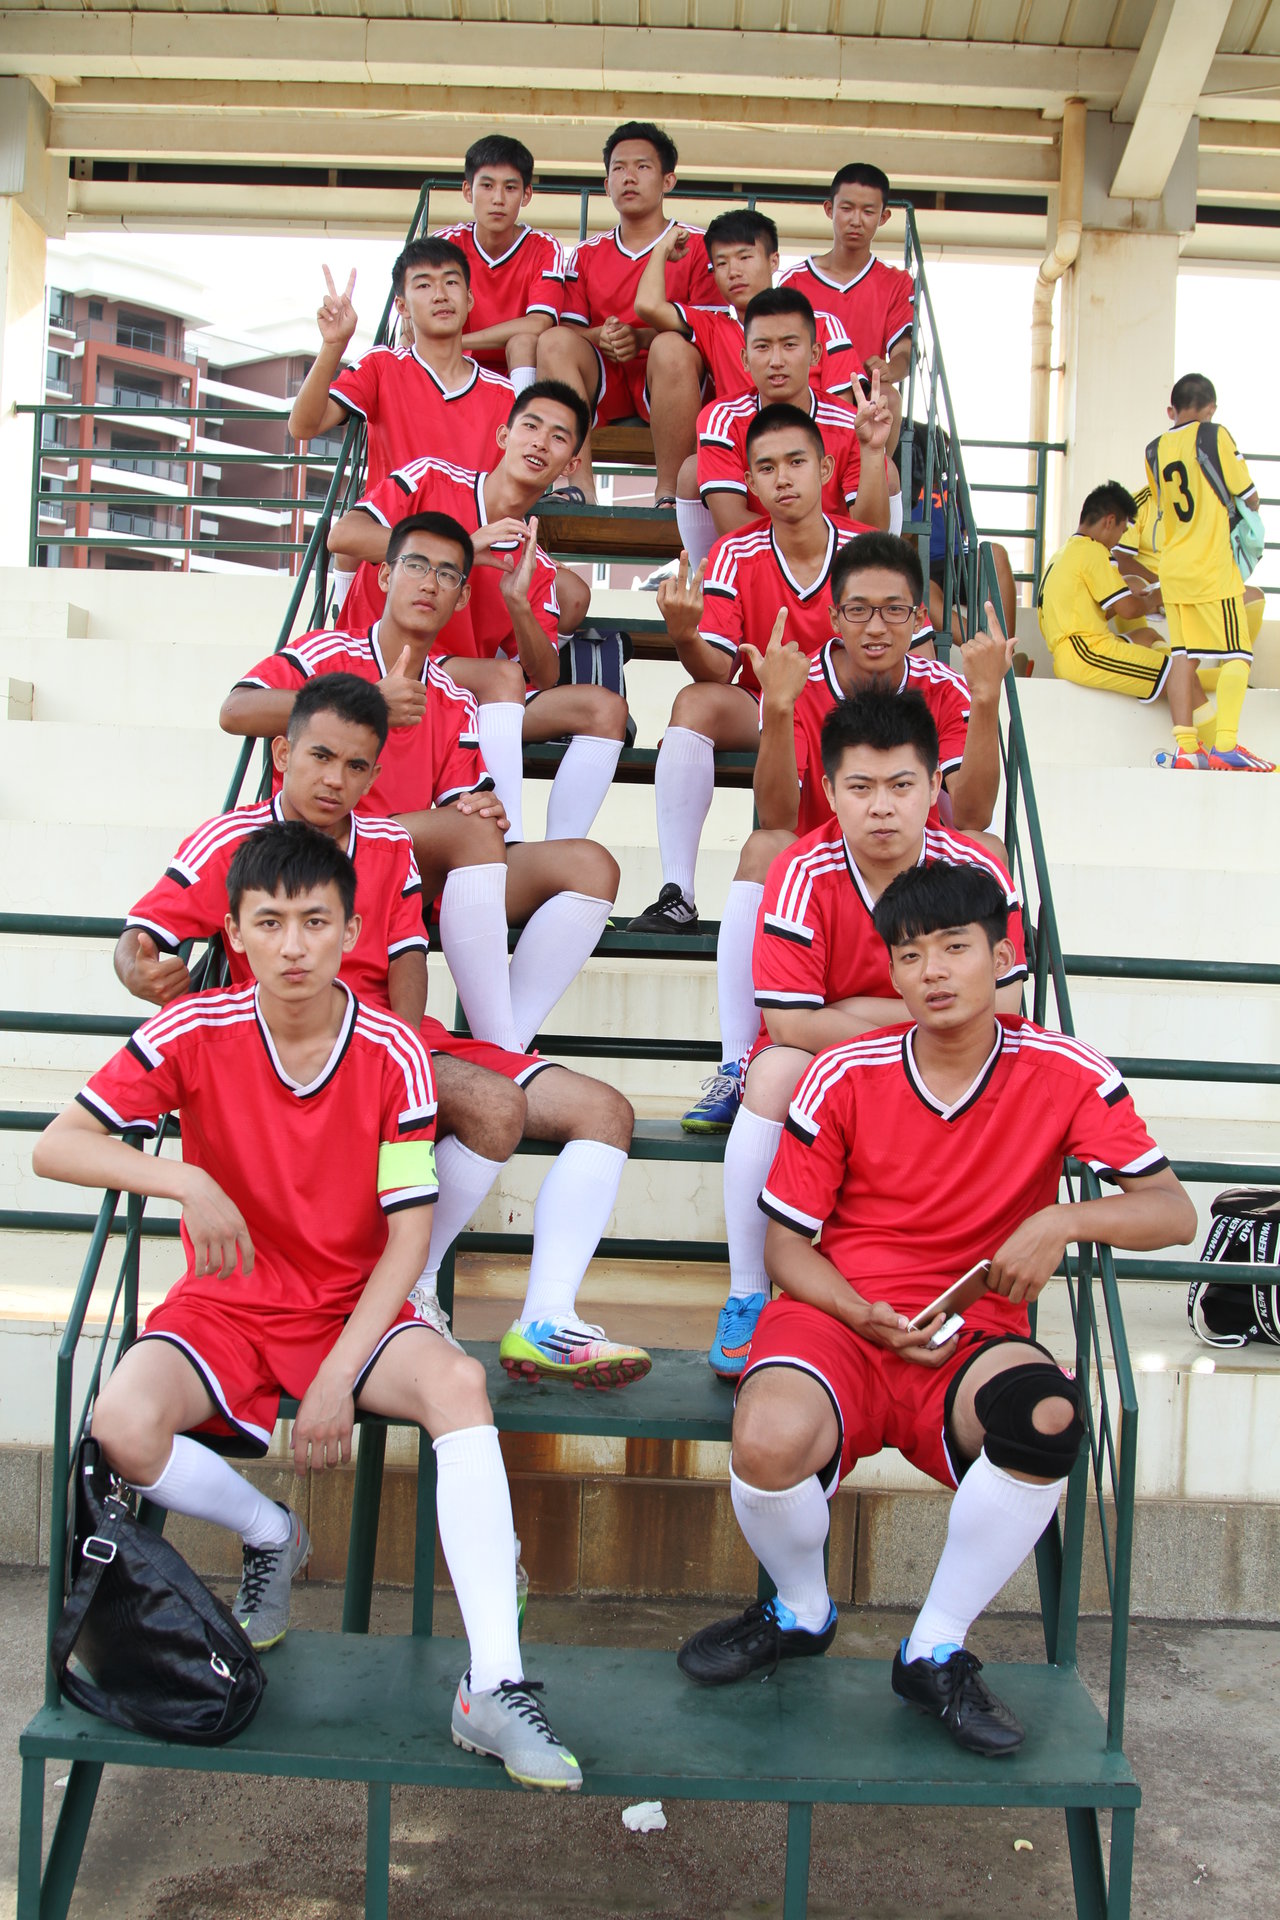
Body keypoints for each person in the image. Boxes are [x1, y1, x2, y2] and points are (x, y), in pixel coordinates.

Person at [33, 822, 583, 1789]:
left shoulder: (394, 1053)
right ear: (235, 932)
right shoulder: (190, 1030)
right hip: (227, 1302)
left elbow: (408, 1237)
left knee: (460, 1387)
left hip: (349, 1302)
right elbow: (58, 1146)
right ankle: (271, 1533)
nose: (293, 945)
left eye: (316, 921)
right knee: (119, 1424)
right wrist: (188, 1183)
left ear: (351, 931)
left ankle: (494, 1686)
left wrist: (336, 1376)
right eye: (270, 922)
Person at [677, 857, 1196, 1759]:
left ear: (1001, 957)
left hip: (972, 1329)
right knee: (764, 1439)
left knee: (1048, 1416)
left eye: (955, 948)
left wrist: (1063, 1220)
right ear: (892, 970)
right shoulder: (843, 1071)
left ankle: (934, 1648)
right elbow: (786, 1247)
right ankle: (800, 1610)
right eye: (910, 955)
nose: (933, 972)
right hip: (840, 1317)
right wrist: (858, 1309)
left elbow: (1172, 1211)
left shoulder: (1065, 1069)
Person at [126, 675, 647, 1389]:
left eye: (355, 765)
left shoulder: (387, 844)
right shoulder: (230, 840)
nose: (334, 780)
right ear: (282, 754)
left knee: (605, 1112)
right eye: (320, 757)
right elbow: (140, 939)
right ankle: (410, 1287)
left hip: (392, 1038)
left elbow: (407, 960)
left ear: (374, 773)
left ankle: (546, 1318)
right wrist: (141, 971)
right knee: (495, 1106)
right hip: (298, 1047)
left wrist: (395, 1055)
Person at [220, 512, 620, 1069]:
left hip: (405, 872)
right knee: (471, 835)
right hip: (316, 854)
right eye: (415, 566)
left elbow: (462, 804)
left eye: (448, 574)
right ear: (385, 577)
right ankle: (505, 1051)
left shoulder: (454, 696)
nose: (429, 583)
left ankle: (505, 1039)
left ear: (461, 597)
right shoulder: (326, 652)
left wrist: (482, 803)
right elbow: (235, 710)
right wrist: (366, 702)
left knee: (591, 866)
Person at [705, 690, 1029, 1378]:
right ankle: (748, 1292)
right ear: (828, 792)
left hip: (937, 1062)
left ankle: (977, 1295)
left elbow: (1005, 1007)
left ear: (935, 787)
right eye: (860, 787)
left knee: (1014, 1074)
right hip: (836, 1066)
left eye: (901, 786)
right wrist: (928, 1015)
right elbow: (790, 1023)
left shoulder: (975, 869)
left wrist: (855, 1006)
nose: (882, 807)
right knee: (773, 1071)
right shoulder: (801, 869)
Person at [683, 531, 1011, 1136]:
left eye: (894, 610)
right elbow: (777, 815)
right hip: (823, 868)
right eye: (858, 610)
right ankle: (737, 1061)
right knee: (765, 846)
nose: (876, 627)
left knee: (986, 851)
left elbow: (973, 813)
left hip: (916, 867)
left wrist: (987, 701)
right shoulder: (801, 679)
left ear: (920, 617)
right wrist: (776, 709)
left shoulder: (945, 686)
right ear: (834, 617)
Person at [626, 401, 889, 936]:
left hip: (853, 712)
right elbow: (716, 670)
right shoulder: (733, 551)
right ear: (748, 482)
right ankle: (677, 892)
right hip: (769, 710)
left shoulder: (863, 550)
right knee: (694, 703)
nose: (782, 478)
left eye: (796, 462)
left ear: (824, 469)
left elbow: (908, 660)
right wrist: (684, 634)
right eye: (766, 468)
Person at [323, 390, 617, 842]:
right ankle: (507, 840)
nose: (540, 443)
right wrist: (459, 547)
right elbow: (344, 535)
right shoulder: (432, 478)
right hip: (378, 662)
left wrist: (519, 604)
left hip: (456, 691)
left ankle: (553, 848)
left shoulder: (534, 563)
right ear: (503, 436)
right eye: (530, 426)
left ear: (571, 465)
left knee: (605, 709)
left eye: (558, 438)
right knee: (502, 676)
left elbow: (545, 674)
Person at [288, 236, 520, 623]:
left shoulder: (506, 395)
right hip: (393, 566)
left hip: (469, 571)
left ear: (469, 298)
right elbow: (303, 425)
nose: (440, 294)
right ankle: (344, 611)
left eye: (451, 282)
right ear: (401, 305)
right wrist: (333, 345)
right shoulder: (382, 366)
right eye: (423, 285)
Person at [635, 212, 859, 555]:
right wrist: (662, 246)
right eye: (721, 263)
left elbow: (840, 415)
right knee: (692, 471)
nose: (733, 272)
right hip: (745, 460)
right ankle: (707, 574)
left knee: (883, 470)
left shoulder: (822, 325)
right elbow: (647, 305)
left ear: (774, 261)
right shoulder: (715, 325)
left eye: (744, 257)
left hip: (812, 463)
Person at [535, 120, 718, 504]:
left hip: (671, 380)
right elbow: (569, 331)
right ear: (606, 184)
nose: (629, 177)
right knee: (552, 341)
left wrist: (642, 337)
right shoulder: (586, 253)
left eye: (642, 167)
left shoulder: (698, 245)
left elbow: (713, 330)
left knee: (672, 347)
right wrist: (599, 336)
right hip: (605, 380)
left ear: (668, 181)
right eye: (618, 168)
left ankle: (671, 495)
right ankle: (577, 487)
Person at [676, 291, 895, 570]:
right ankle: (707, 583)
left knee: (886, 469)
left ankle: (879, 585)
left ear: (815, 354)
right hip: (754, 562)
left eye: (790, 345)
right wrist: (809, 542)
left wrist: (874, 451)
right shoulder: (721, 418)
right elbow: (731, 523)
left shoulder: (848, 422)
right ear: (745, 358)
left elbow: (870, 532)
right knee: (691, 470)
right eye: (763, 347)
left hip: (836, 563)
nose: (776, 360)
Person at [1144, 372, 1273, 771]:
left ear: (1171, 410)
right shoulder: (1215, 435)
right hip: (1212, 568)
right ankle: (1226, 745)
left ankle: (1187, 750)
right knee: (1238, 655)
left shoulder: (1153, 450)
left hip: (1174, 570)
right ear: (1211, 408)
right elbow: (1249, 495)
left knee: (1183, 657)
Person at [1036, 482, 1198, 740]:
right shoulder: (1094, 551)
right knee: (1176, 670)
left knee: (1147, 636)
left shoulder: (1064, 553)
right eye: (1122, 531)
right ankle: (1200, 746)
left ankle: (1196, 685)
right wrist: (1158, 595)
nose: (1118, 541)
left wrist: (1131, 590)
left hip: (1073, 651)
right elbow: (1129, 610)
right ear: (1110, 521)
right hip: (1086, 652)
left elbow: (1093, 611)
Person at [778, 162, 914, 448]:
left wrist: (890, 369)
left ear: (884, 217)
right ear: (830, 209)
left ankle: (877, 474)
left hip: (862, 392)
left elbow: (904, 351)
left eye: (868, 212)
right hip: (808, 391)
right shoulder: (795, 280)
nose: (856, 220)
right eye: (847, 208)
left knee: (888, 396)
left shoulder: (897, 282)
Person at [434, 135, 567, 389]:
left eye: (510, 188)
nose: (498, 199)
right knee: (411, 338)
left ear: (526, 194)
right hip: (456, 364)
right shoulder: (444, 245)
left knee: (524, 341)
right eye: (487, 186)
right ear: (467, 191)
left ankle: (520, 413)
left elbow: (539, 323)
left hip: (517, 364)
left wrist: (458, 342)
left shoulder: (544, 248)